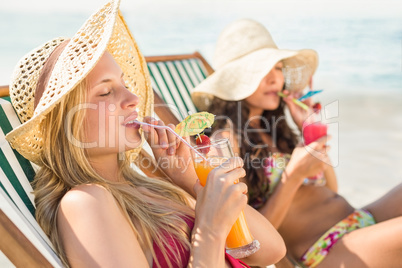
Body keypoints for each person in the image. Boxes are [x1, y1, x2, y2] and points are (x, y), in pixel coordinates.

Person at [5, 4, 286, 268]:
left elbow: (271, 250)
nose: (133, 98)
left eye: (125, 84)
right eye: (105, 91)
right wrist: (209, 231)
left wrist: (191, 181)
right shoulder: (85, 203)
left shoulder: (152, 188)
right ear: (65, 124)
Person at [192, 18, 402, 268]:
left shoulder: (277, 130)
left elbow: (332, 191)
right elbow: (252, 243)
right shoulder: (225, 141)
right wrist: (291, 177)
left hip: (357, 221)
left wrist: (309, 134)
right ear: (236, 83)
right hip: (326, 250)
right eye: (262, 71)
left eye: (279, 68)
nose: (275, 79)